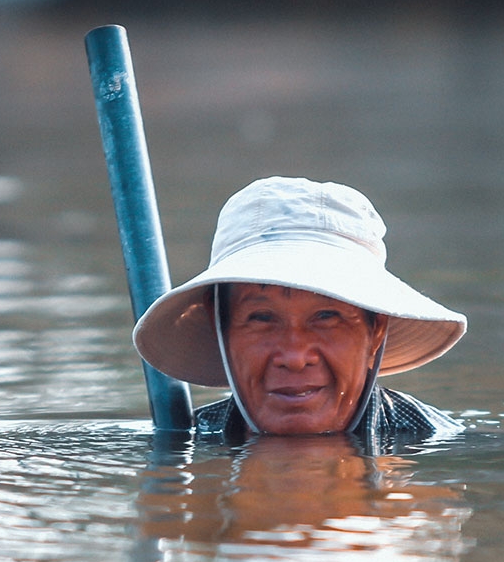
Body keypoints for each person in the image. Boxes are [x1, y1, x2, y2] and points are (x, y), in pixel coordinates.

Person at [132, 176, 467, 449]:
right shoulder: (184, 442)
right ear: (220, 325)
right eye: (262, 318)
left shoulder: (436, 441)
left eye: (326, 317)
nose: (294, 356)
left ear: (376, 329)